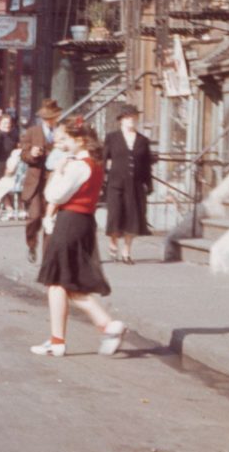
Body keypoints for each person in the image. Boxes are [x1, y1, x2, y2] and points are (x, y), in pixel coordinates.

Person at [30, 120, 126, 359]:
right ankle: (71, 336)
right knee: (65, 282)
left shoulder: (76, 166)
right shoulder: (95, 164)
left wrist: (58, 172)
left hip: (69, 222)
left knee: (57, 281)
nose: (61, 144)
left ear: (80, 140)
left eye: (65, 140)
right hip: (83, 221)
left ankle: (95, 329)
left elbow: (54, 194)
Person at [103, 102, 153, 264]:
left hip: (135, 184)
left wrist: (148, 183)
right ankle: (113, 240)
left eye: (134, 117)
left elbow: (146, 164)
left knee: (133, 217)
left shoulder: (143, 140)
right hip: (116, 182)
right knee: (115, 213)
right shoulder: (112, 138)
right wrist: (102, 178)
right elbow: (103, 159)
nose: (131, 120)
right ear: (121, 120)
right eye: (127, 117)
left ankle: (127, 251)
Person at [19, 99, 62, 265]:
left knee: (49, 220)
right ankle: (31, 244)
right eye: (47, 118)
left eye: (52, 117)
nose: (50, 121)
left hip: (54, 182)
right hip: (36, 183)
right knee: (34, 217)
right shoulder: (32, 132)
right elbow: (23, 154)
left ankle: (47, 258)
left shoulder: (61, 132)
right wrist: (32, 153)